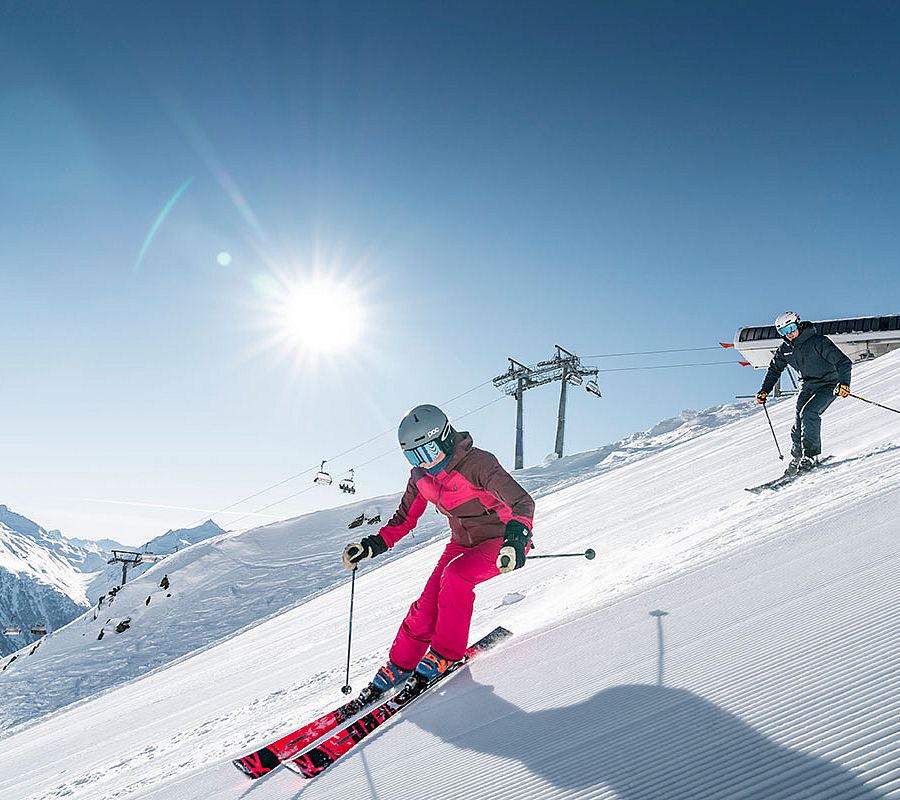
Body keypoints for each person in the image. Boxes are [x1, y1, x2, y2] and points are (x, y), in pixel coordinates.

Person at [342, 403, 534, 697]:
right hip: (461, 542)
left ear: (446, 438)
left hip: (501, 539)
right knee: (426, 605)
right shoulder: (420, 477)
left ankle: (446, 654)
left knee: (456, 576)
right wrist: (371, 546)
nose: (426, 463)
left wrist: (517, 540)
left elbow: (522, 503)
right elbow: (404, 519)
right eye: (414, 456)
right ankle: (401, 664)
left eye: (429, 453)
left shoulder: (478, 464)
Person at [756, 311, 852, 473]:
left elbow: (844, 362)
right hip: (807, 385)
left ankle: (811, 455)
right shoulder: (785, 349)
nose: (789, 334)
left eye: (791, 328)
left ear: (798, 324)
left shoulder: (818, 342)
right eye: (784, 332)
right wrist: (764, 390)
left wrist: (844, 383)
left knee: (809, 413)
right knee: (799, 420)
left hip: (829, 383)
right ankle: (798, 456)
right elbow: (774, 370)